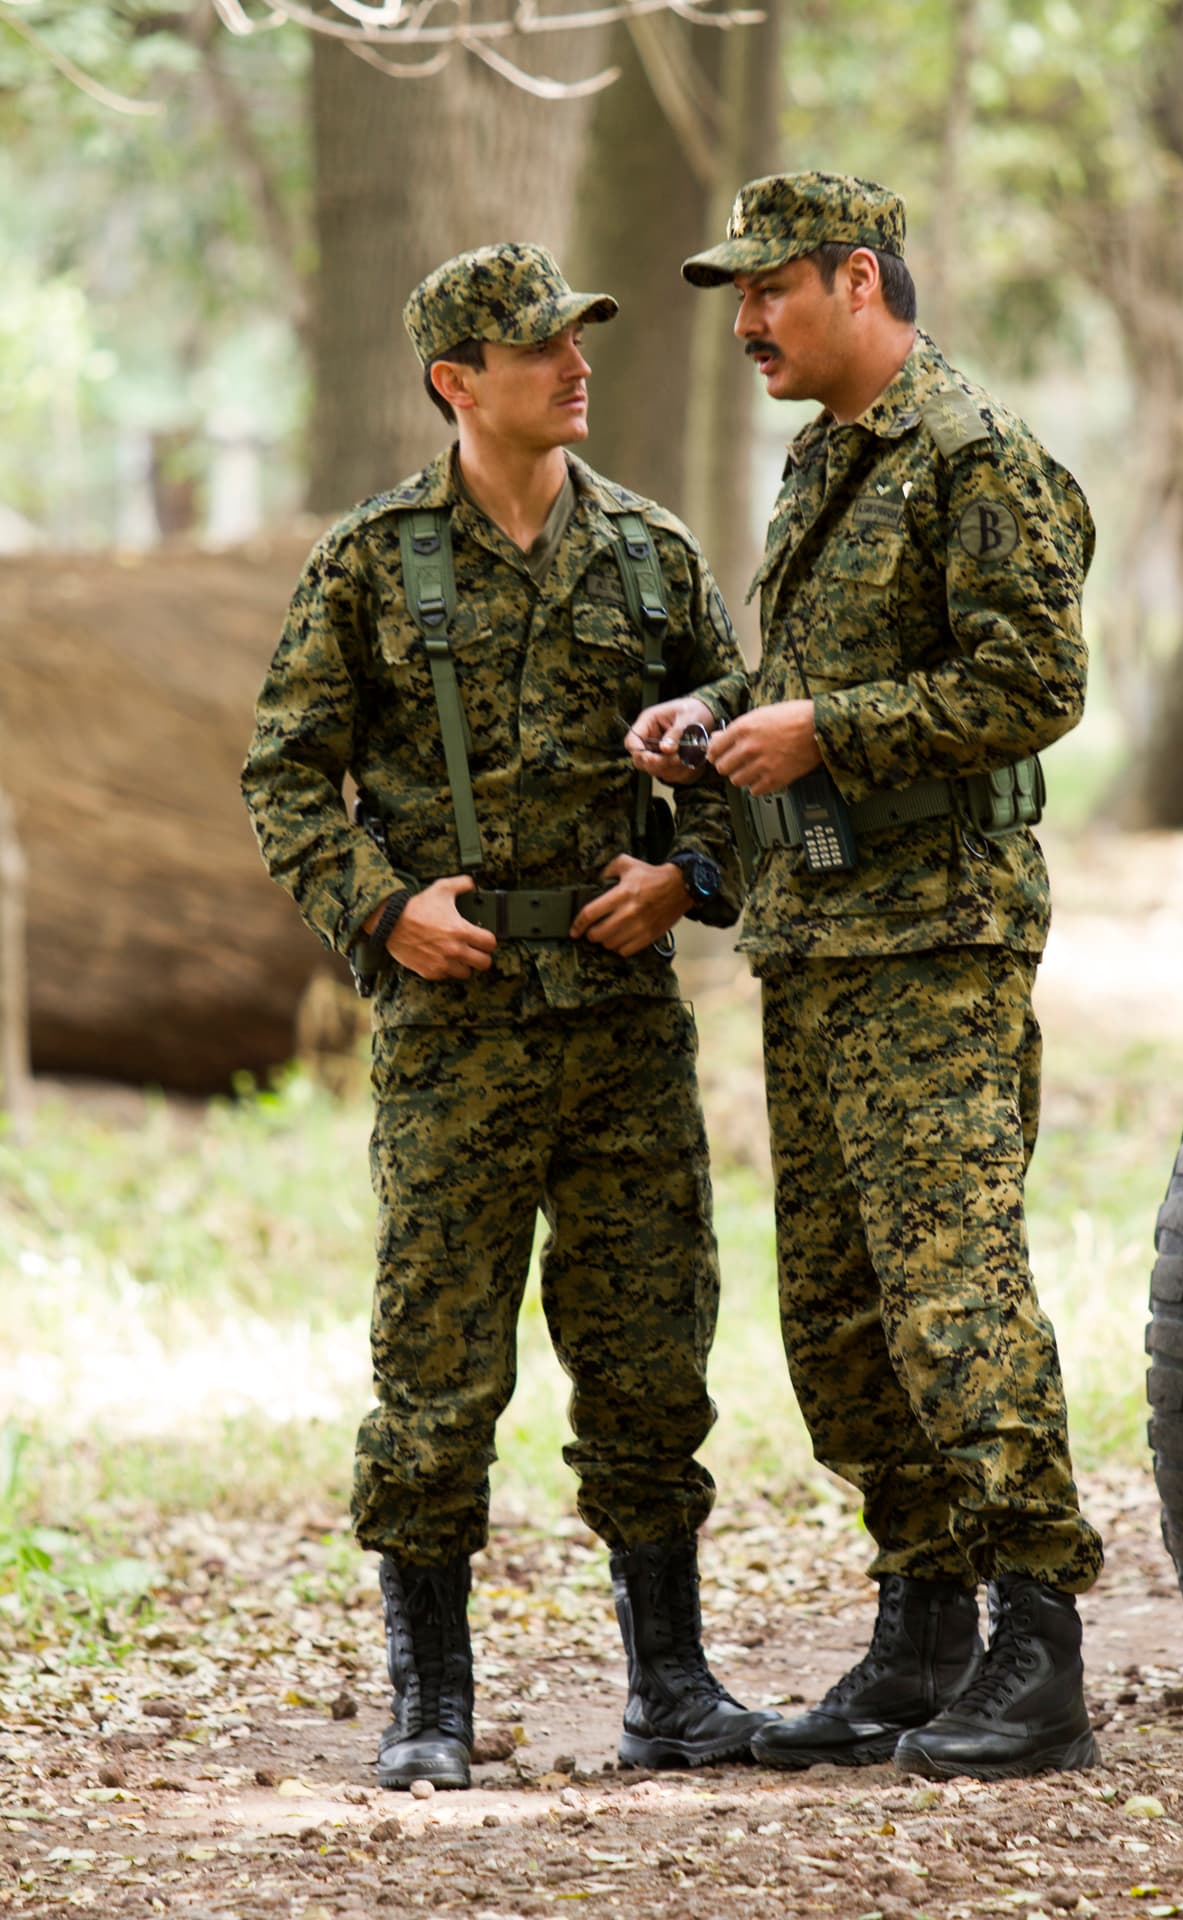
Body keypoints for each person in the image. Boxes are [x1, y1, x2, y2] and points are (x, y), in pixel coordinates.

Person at [242, 241, 777, 1790]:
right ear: (456, 382)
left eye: (579, 337)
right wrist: (379, 905)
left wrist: (688, 876)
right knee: (438, 1366)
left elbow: (740, 740)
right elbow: (287, 772)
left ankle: (671, 1688)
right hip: (457, 1033)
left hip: (618, 1020)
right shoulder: (371, 558)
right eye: (540, 345)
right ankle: (429, 1701)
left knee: (651, 1352)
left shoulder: (653, 552)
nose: (575, 362)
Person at [628, 172, 1105, 1782]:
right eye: (736, 298)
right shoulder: (827, 457)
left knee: (949, 1287)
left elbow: (1033, 681)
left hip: (937, 939)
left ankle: (1040, 1641)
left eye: (768, 291)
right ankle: (923, 1628)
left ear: (856, 279)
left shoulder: (978, 456)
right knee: (838, 1313)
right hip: (816, 935)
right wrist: (716, 715)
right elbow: (814, 679)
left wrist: (828, 731)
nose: (747, 323)